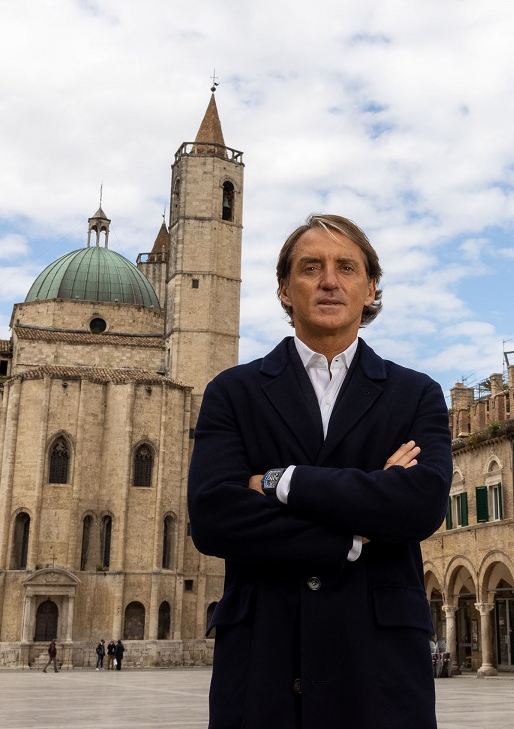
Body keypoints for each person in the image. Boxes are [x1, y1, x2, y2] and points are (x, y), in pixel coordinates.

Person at [188, 214, 450, 729]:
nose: (330, 281)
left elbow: (419, 505)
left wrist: (278, 482)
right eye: (311, 268)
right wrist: (358, 528)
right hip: (265, 660)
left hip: (379, 667)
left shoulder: (416, 393)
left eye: (346, 268)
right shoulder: (232, 392)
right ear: (285, 289)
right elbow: (214, 516)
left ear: (371, 288)